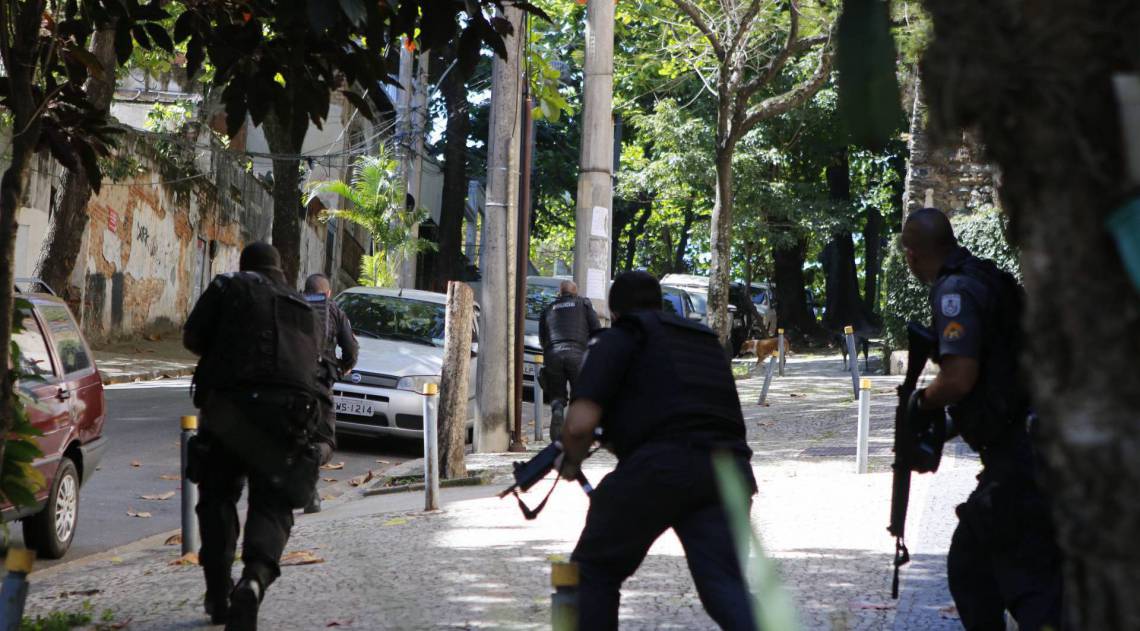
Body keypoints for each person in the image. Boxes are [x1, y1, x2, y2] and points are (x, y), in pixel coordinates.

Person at [556, 271, 757, 630]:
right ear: (659, 303)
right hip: (729, 472)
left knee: (592, 572)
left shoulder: (618, 338)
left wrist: (570, 463)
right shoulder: (703, 340)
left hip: (660, 467)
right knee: (724, 586)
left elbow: (578, 425)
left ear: (615, 313)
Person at [901, 208, 1062, 630]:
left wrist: (922, 403)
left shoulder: (954, 291)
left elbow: (959, 378)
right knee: (976, 567)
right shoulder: (989, 277)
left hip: (1022, 455)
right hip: (1035, 440)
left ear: (911, 254)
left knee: (1023, 583)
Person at [183, 242, 326, 631]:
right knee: (272, 505)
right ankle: (253, 582)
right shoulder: (302, 306)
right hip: (288, 417)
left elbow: (192, 338)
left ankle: (217, 593)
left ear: (245, 266)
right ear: (280, 270)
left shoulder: (228, 286)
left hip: (229, 411)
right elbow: (315, 369)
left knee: (217, 496)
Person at [301, 273, 359, 514]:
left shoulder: (288, 304)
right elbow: (351, 349)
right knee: (324, 439)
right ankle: (311, 490)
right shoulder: (334, 311)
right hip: (319, 384)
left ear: (304, 291)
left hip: (287, 382)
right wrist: (343, 368)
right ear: (328, 293)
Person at [538, 280, 600, 440]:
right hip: (577, 355)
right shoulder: (584, 305)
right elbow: (596, 329)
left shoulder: (548, 309)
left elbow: (542, 338)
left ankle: (558, 413)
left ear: (560, 293)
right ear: (575, 292)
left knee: (557, 396)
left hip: (553, 355)